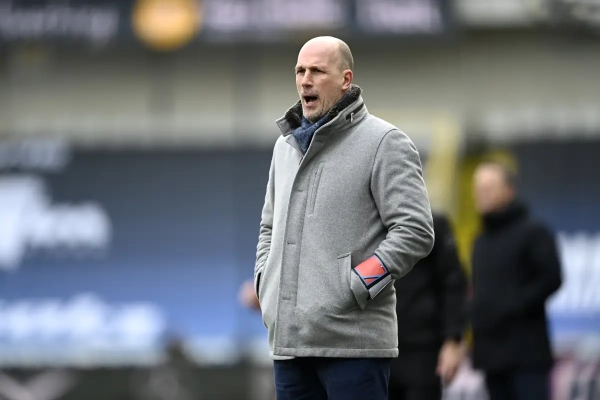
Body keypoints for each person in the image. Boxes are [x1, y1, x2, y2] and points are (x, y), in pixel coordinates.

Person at [253, 36, 434, 400]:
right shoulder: (284, 147)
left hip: (354, 346)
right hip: (289, 346)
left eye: (317, 71)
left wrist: (357, 285)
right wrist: (264, 283)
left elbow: (415, 231)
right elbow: (269, 227)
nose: (306, 80)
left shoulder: (385, 142)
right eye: (300, 71)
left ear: (345, 79)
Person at [469, 160, 562, 400]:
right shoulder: (480, 241)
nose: (482, 193)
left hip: (527, 355)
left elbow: (551, 278)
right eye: (478, 188)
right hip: (491, 356)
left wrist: (510, 306)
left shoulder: (534, 232)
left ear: (509, 190)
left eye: (489, 187)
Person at [389, 212, 468, 400]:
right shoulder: (371, 226)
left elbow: (453, 284)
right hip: (378, 348)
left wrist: (453, 339)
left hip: (422, 349)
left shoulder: (432, 224)